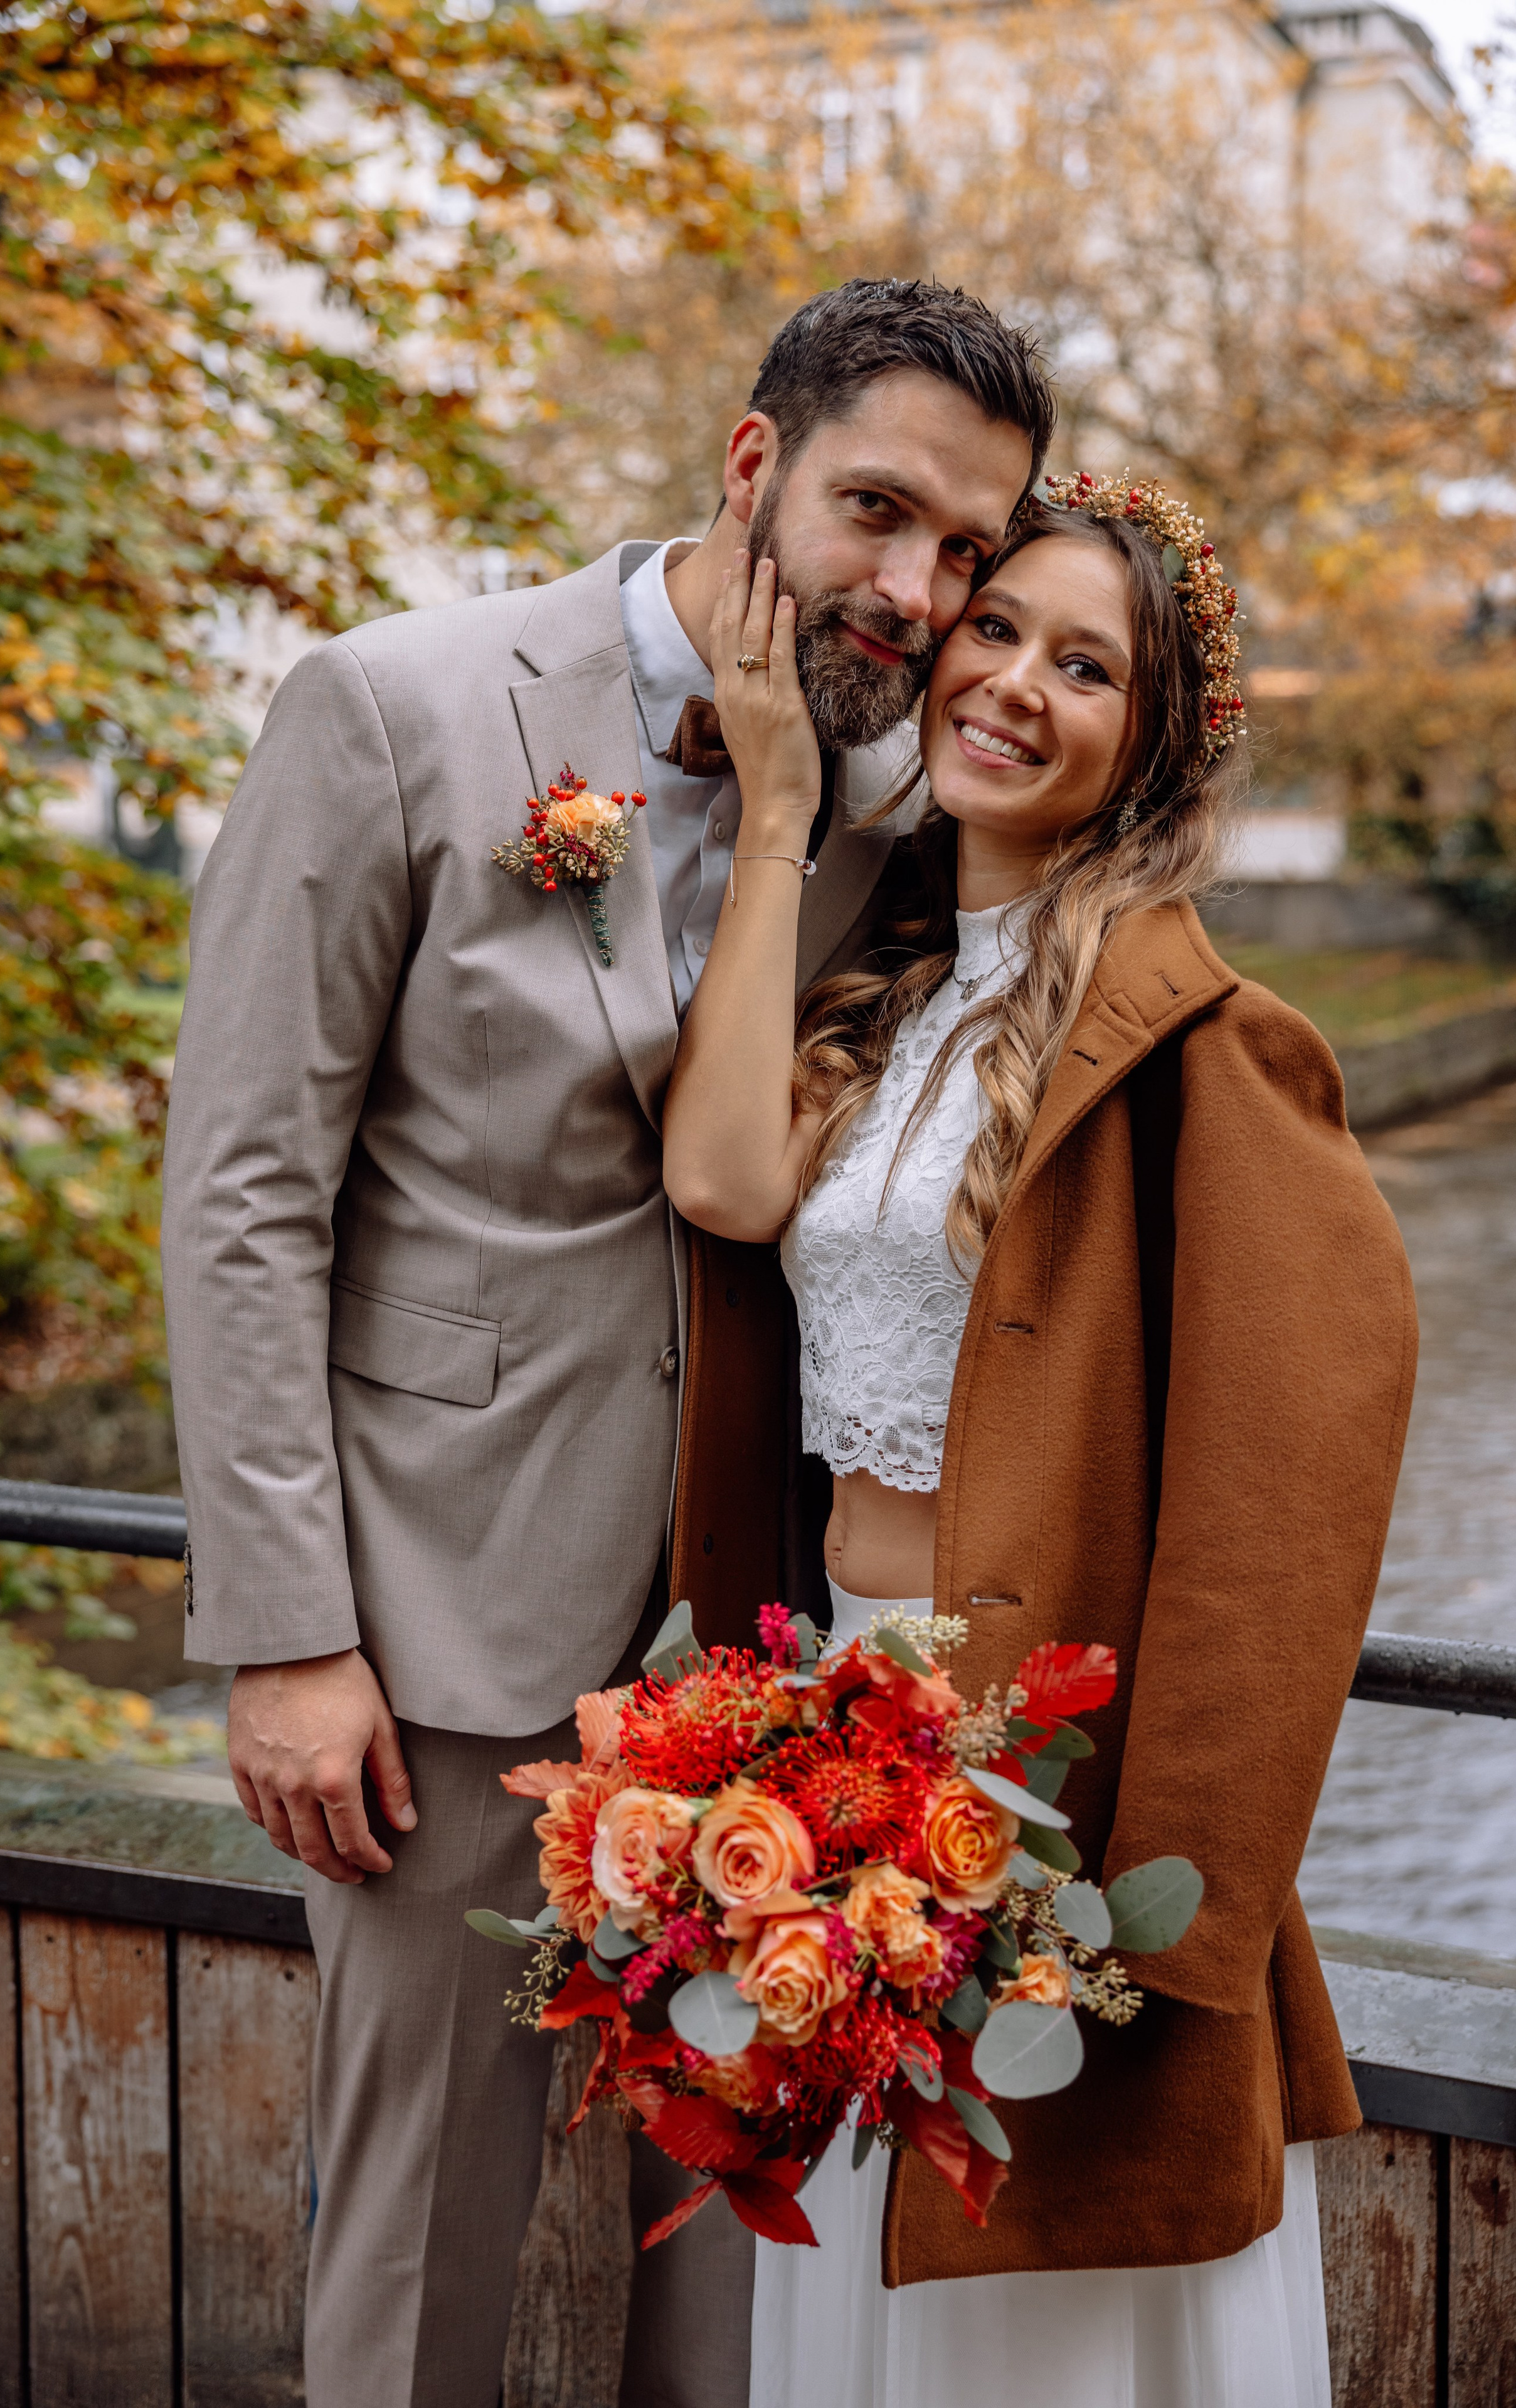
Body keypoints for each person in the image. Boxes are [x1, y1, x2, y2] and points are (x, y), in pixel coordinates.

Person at [160, 277, 1055, 2408]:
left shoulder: (901, 794)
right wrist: (284, 1634)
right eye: (878, 514)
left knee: (738, 2277)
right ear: (752, 465)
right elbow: (244, 1194)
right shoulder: (396, 707)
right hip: (430, 1635)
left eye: (966, 551)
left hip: (764, 1655)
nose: (919, 592)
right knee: (418, 2255)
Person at [660, 481, 1417, 2407]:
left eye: (1089, 668)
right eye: (996, 629)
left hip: (1055, 1796)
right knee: (869, 2317)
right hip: (831, 1741)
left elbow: (1287, 1526)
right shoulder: (881, 983)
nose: (1014, 684)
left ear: (1151, 743)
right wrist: (772, 811)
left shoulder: (1215, 1053)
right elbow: (725, 1181)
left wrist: (1147, 1925)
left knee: (1037, 2340)